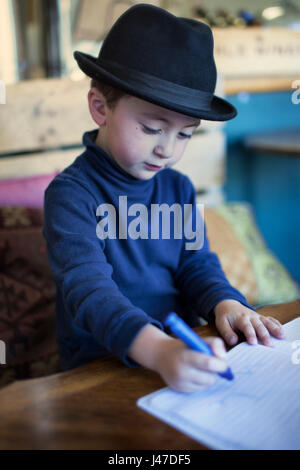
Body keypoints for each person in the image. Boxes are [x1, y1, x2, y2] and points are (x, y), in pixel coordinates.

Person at [43, 4, 285, 393]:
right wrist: (157, 350)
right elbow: (88, 290)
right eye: (152, 128)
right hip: (102, 366)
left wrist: (226, 302)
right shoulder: (71, 195)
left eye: (185, 134)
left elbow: (196, 264)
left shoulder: (178, 189)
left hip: (184, 350)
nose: (168, 150)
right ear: (100, 108)